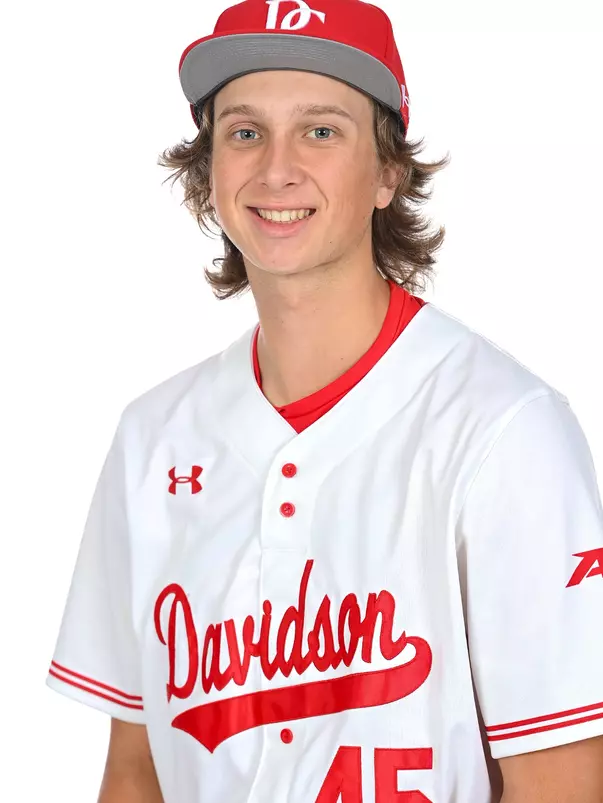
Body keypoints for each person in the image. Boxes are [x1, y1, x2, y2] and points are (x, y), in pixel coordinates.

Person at [46, 1, 603, 801]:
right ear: (209, 170)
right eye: (244, 132)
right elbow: (136, 771)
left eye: (320, 131)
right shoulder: (152, 437)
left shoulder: (503, 429)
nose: (276, 169)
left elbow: (563, 781)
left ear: (386, 174)